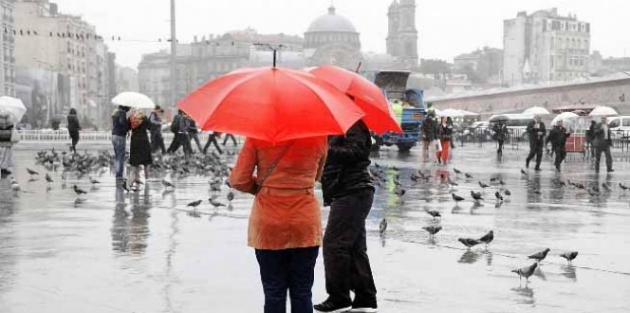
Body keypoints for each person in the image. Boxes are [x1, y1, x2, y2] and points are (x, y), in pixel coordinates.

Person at [229, 136, 327, 313]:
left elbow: (238, 180)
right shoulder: (319, 138)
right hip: (304, 221)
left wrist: (263, 189)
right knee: (303, 291)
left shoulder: (257, 137)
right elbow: (317, 175)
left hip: (269, 220)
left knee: (274, 291)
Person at [316, 120, 378, 313]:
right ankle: (365, 297)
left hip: (353, 191)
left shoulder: (353, 124)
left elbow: (357, 152)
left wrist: (325, 149)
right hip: (347, 191)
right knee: (355, 246)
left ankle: (339, 297)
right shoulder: (335, 126)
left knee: (335, 244)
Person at [128, 110, 152, 183]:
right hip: (144, 139)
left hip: (135, 140)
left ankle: (133, 177)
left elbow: (127, 127)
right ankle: (147, 178)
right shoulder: (144, 117)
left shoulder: (131, 118)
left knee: (134, 160)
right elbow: (150, 127)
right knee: (146, 160)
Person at [112, 105, 131, 180]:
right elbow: (122, 122)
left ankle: (118, 172)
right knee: (120, 156)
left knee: (117, 156)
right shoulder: (122, 112)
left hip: (114, 135)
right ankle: (119, 174)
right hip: (120, 136)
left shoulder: (115, 111)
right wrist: (127, 127)